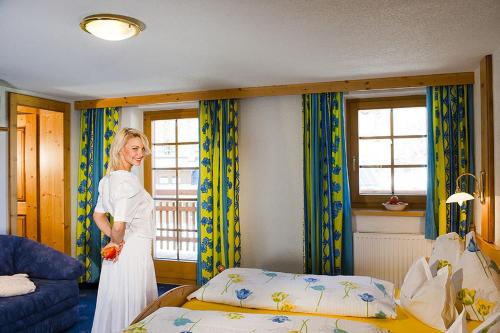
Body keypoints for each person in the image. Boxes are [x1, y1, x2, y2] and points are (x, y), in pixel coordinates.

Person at [91, 128, 158, 333]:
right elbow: (119, 224)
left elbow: (98, 215)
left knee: (119, 297)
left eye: (143, 149)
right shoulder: (127, 182)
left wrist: (114, 241)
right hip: (134, 250)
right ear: (120, 149)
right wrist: (116, 240)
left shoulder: (107, 180)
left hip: (121, 250)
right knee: (134, 298)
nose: (141, 154)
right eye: (135, 149)